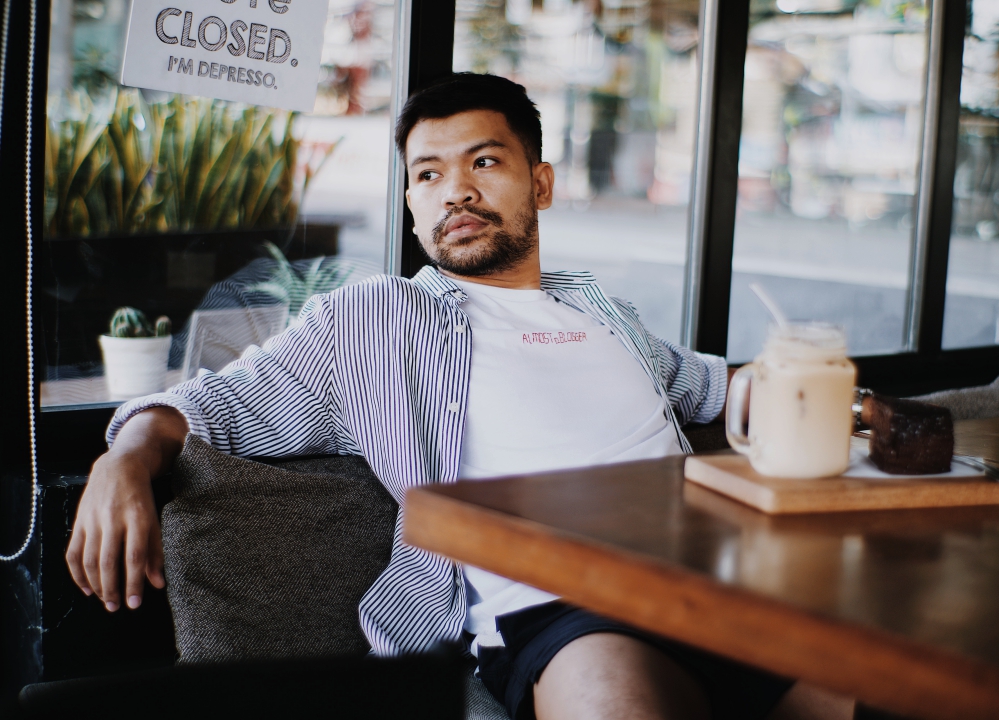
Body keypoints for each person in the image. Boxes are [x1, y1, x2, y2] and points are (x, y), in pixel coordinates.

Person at [66, 73, 853, 720]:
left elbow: (720, 385)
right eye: (429, 174)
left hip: (723, 585)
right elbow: (211, 404)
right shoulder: (374, 320)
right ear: (412, 205)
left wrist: (849, 406)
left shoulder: (602, 312)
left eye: (484, 162)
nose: (456, 192)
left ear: (540, 183)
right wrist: (123, 458)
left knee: (892, 679)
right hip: (564, 610)